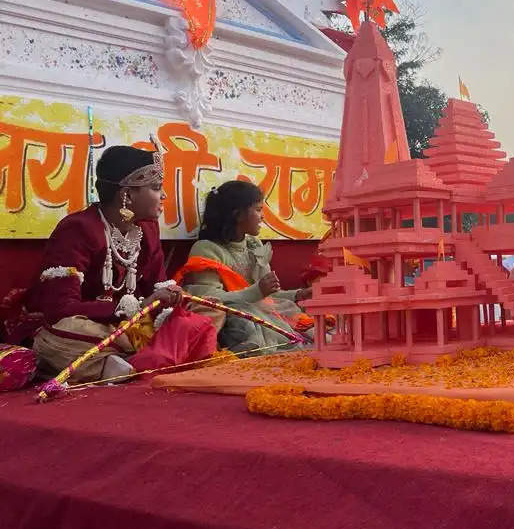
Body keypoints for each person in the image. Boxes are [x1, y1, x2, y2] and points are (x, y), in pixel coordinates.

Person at [25, 145, 216, 384]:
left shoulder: (147, 228)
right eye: (156, 188)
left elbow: (157, 282)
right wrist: (130, 309)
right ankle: (129, 360)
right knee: (67, 330)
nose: (163, 195)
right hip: (91, 326)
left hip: (134, 326)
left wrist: (170, 297)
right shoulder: (78, 230)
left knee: (207, 310)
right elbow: (59, 308)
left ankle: (127, 362)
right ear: (127, 194)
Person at [176, 181, 312, 354]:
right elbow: (208, 300)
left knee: (312, 328)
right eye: (258, 209)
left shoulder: (254, 245)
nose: (262, 216)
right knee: (245, 321)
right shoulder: (207, 248)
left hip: (263, 314)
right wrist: (256, 291)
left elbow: (268, 296)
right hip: (232, 320)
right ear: (238, 215)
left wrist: (298, 294)